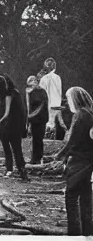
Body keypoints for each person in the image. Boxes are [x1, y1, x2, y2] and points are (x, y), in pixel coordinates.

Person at [54, 87, 93, 235]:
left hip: (78, 161)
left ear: (75, 98)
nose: (67, 101)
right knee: (85, 198)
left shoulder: (80, 115)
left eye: (68, 97)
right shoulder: (90, 114)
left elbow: (72, 141)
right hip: (88, 160)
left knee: (71, 196)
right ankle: (88, 232)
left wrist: (58, 156)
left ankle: (74, 233)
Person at [0, 75, 29, 181]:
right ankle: (20, 170)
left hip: (9, 128)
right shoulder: (15, 94)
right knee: (16, 149)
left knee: (11, 149)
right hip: (14, 127)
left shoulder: (8, 95)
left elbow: (6, 113)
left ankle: (13, 169)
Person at [40, 58, 65, 140]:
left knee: (49, 121)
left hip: (46, 105)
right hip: (54, 104)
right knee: (51, 121)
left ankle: (48, 135)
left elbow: (41, 94)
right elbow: (59, 93)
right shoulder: (57, 78)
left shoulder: (43, 79)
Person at [26, 75, 49, 164]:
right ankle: (35, 158)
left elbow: (41, 104)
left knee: (38, 139)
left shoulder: (41, 91)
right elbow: (29, 106)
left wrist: (31, 116)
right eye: (30, 81)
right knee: (35, 139)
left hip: (40, 118)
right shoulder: (30, 92)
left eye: (33, 80)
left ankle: (37, 158)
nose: (32, 82)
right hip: (33, 119)